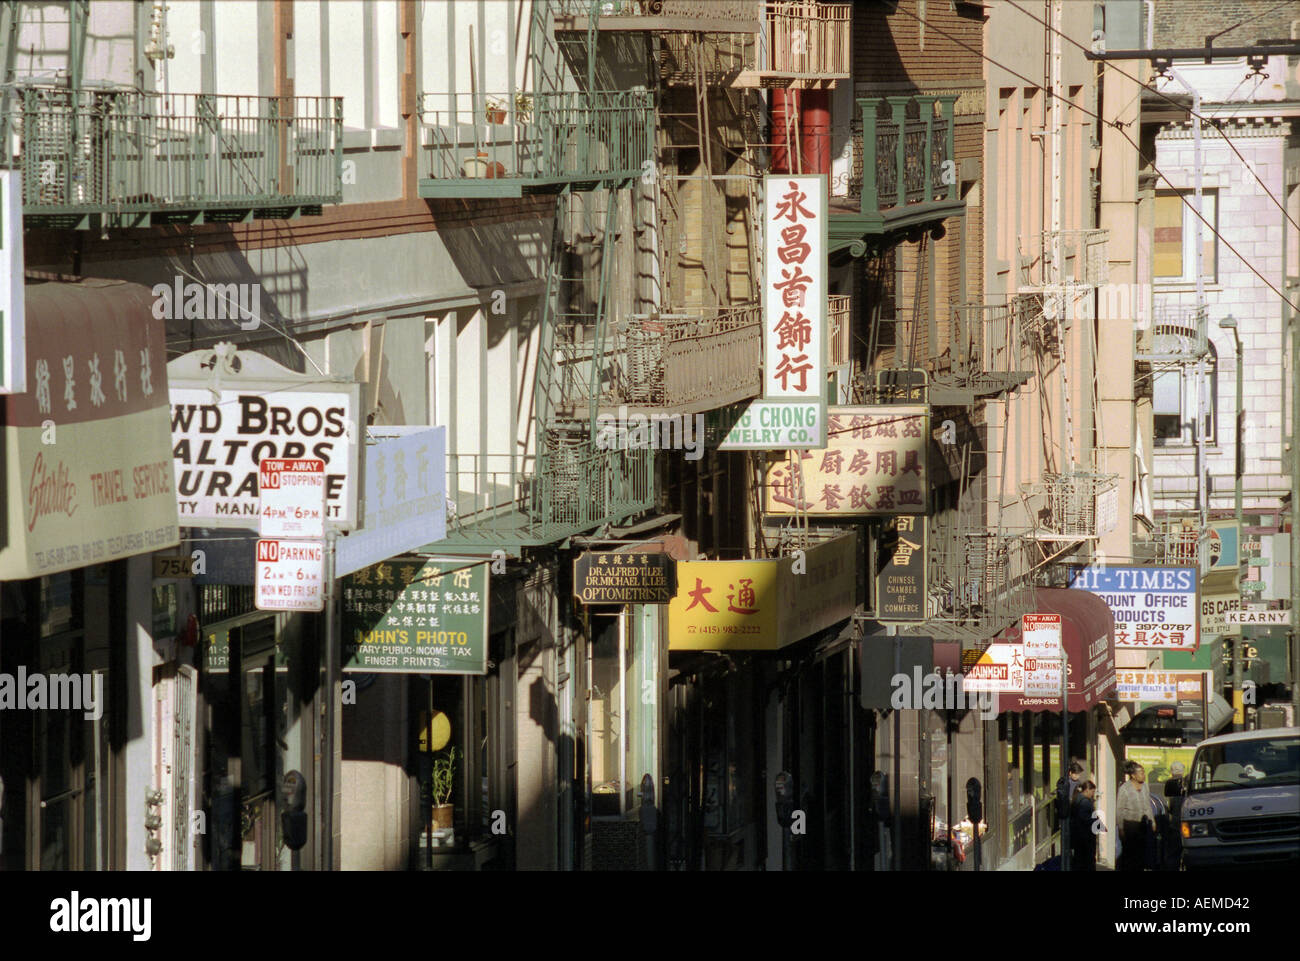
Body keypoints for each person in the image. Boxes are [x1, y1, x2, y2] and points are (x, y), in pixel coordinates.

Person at [1116, 761, 1154, 871]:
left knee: (1142, 853)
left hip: (1143, 824)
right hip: (1130, 825)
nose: (1143, 775)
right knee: (1130, 854)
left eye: (1144, 772)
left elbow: (1147, 804)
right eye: (1141, 773)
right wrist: (1121, 828)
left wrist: (1153, 820)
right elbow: (1119, 809)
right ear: (1133, 775)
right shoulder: (1125, 788)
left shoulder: (1145, 786)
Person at [1070, 780, 1101, 871]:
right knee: (1087, 861)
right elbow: (1085, 818)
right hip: (1085, 837)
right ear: (1087, 790)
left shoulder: (1077, 799)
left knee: (1079, 860)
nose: (1093, 794)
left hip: (1078, 836)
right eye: (1092, 792)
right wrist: (1096, 822)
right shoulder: (1085, 803)